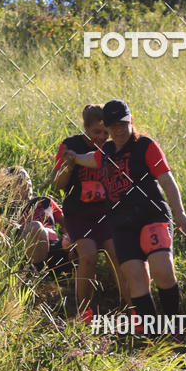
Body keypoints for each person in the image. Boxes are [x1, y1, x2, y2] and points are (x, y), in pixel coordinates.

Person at [62, 99, 186, 341]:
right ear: (107, 128)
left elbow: (166, 181)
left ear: (130, 121)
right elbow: (91, 158)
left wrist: (180, 212)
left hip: (152, 216)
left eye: (123, 124)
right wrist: (74, 156)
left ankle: (176, 328)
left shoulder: (146, 146)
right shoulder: (107, 151)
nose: (119, 130)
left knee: (162, 270)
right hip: (121, 224)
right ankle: (153, 339)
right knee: (136, 279)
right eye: (113, 126)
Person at [52, 104, 121, 318]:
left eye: (106, 133)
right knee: (89, 256)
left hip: (106, 215)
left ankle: (132, 308)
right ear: (85, 128)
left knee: (119, 256)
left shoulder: (114, 147)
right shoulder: (70, 145)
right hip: (78, 215)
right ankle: (84, 313)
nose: (102, 137)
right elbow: (58, 184)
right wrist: (69, 165)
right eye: (96, 132)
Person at [0, 166, 72, 272]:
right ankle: (34, 274)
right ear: (9, 187)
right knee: (36, 227)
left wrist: (68, 236)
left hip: (55, 249)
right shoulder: (5, 211)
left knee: (78, 233)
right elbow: (2, 240)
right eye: (21, 181)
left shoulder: (45, 201)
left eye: (28, 179)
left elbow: (66, 223)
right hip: (26, 256)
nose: (28, 184)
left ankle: (74, 280)